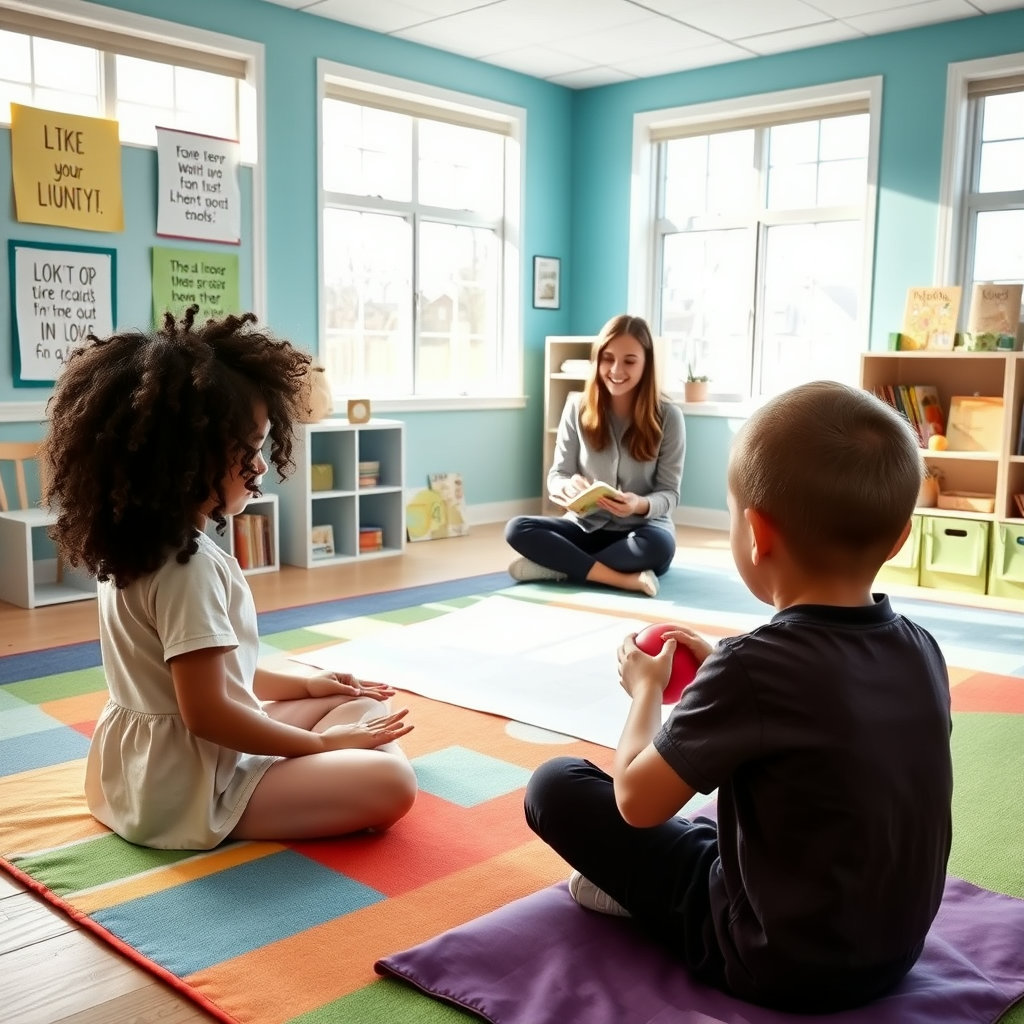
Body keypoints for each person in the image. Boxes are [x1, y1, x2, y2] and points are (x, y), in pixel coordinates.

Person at [524, 381, 953, 1013]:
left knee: (555, 785)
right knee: (714, 825)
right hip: (893, 947)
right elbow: (838, 723)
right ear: (898, 540)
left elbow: (636, 803)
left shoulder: (755, 668)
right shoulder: (922, 648)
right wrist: (724, 667)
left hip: (774, 960)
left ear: (756, 533)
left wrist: (645, 693)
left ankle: (638, 900)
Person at [41, 307, 417, 851]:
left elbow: (208, 675)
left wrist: (308, 686)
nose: (261, 466)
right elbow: (208, 712)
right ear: (185, 459)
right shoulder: (187, 567)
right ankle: (313, 777)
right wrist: (320, 747)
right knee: (391, 782)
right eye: (249, 449)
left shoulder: (136, 544)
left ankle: (333, 752)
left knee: (363, 709)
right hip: (188, 791)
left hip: (142, 771)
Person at [505, 314, 684, 597]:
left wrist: (637, 504)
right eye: (608, 358)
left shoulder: (668, 417)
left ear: (646, 364)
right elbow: (557, 474)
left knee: (659, 549)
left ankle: (559, 566)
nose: (616, 369)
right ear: (597, 359)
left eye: (629, 361)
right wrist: (566, 487)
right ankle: (623, 579)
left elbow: (669, 495)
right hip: (585, 528)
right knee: (517, 528)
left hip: (641, 531)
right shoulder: (577, 407)